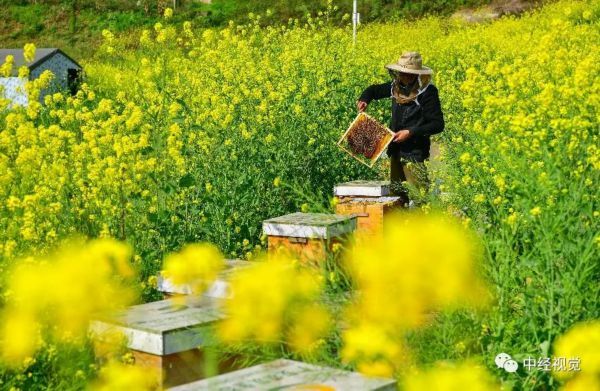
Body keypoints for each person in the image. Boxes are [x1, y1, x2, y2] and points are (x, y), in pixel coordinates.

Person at [356, 51, 445, 206]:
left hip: (414, 153)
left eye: (408, 74)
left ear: (416, 74)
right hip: (395, 150)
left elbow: (437, 124)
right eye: (401, 73)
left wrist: (410, 132)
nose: (403, 77)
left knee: (420, 199)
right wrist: (365, 99)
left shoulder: (428, 92)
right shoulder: (394, 87)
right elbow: (374, 90)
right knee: (396, 197)